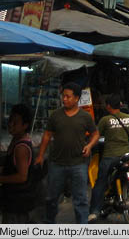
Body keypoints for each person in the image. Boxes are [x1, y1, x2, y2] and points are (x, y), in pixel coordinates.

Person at [36, 82, 99, 224]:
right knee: (51, 198)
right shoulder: (55, 116)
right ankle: (49, 224)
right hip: (57, 163)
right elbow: (46, 136)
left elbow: (95, 134)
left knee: (80, 199)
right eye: (63, 96)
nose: (64, 99)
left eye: (68, 97)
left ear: (76, 98)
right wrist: (40, 155)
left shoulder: (85, 116)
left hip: (78, 164)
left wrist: (89, 146)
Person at [88, 94, 129, 223]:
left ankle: (94, 211)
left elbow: (96, 135)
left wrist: (89, 145)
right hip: (127, 155)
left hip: (110, 156)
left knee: (100, 182)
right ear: (120, 105)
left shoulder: (105, 120)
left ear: (108, 106)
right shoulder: (128, 118)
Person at [0, 104, 44, 223]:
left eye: (15, 122)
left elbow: (22, 176)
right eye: (10, 120)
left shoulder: (21, 148)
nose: (10, 124)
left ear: (25, 125)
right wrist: (1, 170)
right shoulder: (16, 140)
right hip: (13, 202)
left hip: (18, 205)